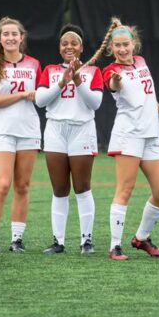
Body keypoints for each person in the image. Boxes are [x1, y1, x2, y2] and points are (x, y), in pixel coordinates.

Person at [102, 19, 159, 260]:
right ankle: (114, 246)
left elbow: (148, 95)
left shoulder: (141, 62)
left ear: (134, 44)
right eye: (117, 46)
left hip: (150, 135)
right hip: (128, 135)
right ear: (111, 48)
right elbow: (112, 84)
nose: (122, 49)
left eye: (126, 44)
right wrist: (116, 80)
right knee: (125, 189)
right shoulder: (111, 71)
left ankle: (141, 238)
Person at [35, 24, 103, 255]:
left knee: (82, 187)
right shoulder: (50, 70)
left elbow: (95, 103)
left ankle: (86, 241)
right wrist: (62, 81)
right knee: (59, 188)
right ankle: (58, 241)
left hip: (82, 129)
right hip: (55, 129)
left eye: (74, 42)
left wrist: (77, 79)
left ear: (81, 47)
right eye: (65, 43)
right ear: (60, 47)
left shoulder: (93, 71)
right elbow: (40, 100)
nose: (69, 46)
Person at [0, 17, 41, 253]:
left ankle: (16, 239)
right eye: (5, 34)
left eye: (14, 34)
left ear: (22, 37)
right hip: (2, 131)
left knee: (23, 186)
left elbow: (43, 95)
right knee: (3, 184)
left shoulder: (35, 64)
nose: (10, 38)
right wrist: (23, 94)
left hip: (29, 131)